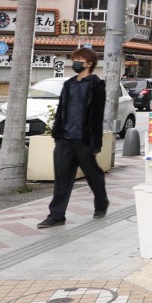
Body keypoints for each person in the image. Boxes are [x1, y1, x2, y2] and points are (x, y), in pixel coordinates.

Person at [37, 48, 109, 228]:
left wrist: (95, 143)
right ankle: (57, 215)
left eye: (79, 59)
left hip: (84, 140)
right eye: (74, 59)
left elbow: (97, 116)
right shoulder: (69, 84)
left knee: (93, 175)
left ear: (89, 63)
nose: (75, 63)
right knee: (62, 179)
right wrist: (57, 134)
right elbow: (61, 109)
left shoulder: (96, 85)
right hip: (65, 139)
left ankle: (101, 202)